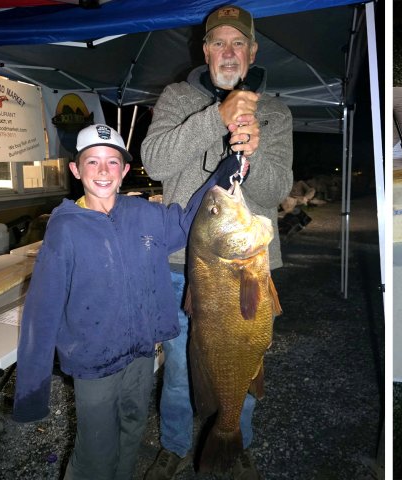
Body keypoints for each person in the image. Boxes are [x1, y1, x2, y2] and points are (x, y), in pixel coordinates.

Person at [12, 124, 240, 480]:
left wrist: (229, 170)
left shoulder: (145, 214)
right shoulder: (65, 228)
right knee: (95, 453)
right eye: (92, 162)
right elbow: (41, 312)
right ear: (76, 170)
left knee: (132, 431)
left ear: (125, 170)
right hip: (95, 364)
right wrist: (31, 391)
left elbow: (188, 222)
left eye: (112, 162)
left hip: (141, 354)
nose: (103, 171)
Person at [141, 5, 293, 480]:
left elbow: (276, 190)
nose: (228, 53)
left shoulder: (275, 111)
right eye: (219, 43)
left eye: (237, 44)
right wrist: (216, 118)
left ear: (252, 51)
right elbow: (156, 161)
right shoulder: (176, 97)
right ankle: (174, 443)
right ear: (205, 50)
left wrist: (256, 149)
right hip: (183, 263)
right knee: (183, 365)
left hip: (248, 265)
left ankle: (235, 441)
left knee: (243, 357)